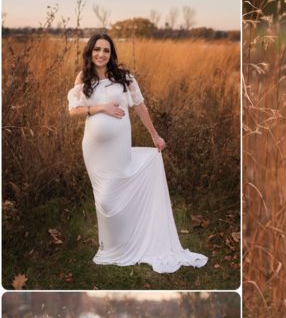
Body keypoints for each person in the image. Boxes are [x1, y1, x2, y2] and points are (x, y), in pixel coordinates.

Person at [67, 33, 207, 273]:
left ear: (112, 55)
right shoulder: (84, 78)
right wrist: (102, 107)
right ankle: (112, 246)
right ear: (90, 52)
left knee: (115, 194)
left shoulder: (124, 78)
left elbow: (140, 107)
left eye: (106, 50)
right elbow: (73, 110)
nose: (101, 54)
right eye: (97, 49)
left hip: (118, 146)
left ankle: (129, 243)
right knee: (103, 199)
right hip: (93, 148)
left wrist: (155, 135)